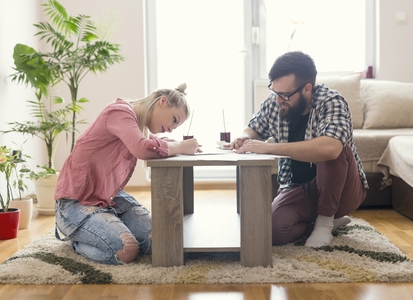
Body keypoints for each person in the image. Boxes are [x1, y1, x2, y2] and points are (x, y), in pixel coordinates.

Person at [230, 51, 368, 247]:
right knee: (274, 232)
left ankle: (325, 221)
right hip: (299, 188)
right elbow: (253, 128)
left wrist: (271, 148)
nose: (278, 100)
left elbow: (331, 148)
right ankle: (320, 222)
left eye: (284, 95)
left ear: (307, 88)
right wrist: (245, 137)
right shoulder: (276, 101)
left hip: (343, 189)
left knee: (335, 148)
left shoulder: (331, 101)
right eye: (275, 92)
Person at [54, 83, 201, 265]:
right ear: (162, 101)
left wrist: (178, 145)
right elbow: (142, 148)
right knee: (126, 250)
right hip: (76, 202)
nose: (171, 128)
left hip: (111, 199)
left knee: (161, 243)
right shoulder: (120, 113)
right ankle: (76, 242)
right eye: (174, 120)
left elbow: (154, 143)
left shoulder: (139, 126)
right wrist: (181, 147)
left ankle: (107, 227)